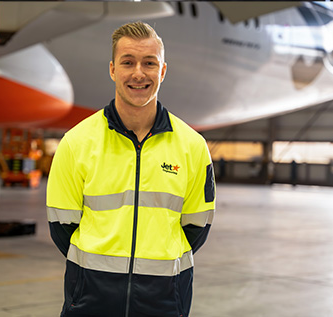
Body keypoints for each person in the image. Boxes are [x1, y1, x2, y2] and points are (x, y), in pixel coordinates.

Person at [46, 21, 216, 317]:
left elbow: (196, 228)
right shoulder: (76, 142)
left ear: (162, 71)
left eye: (149, 63)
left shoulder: (193, 146)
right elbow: (62, 227)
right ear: (113, 69)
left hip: (164, 299)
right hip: (90, 299)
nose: (139, 73)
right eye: (128, 62)